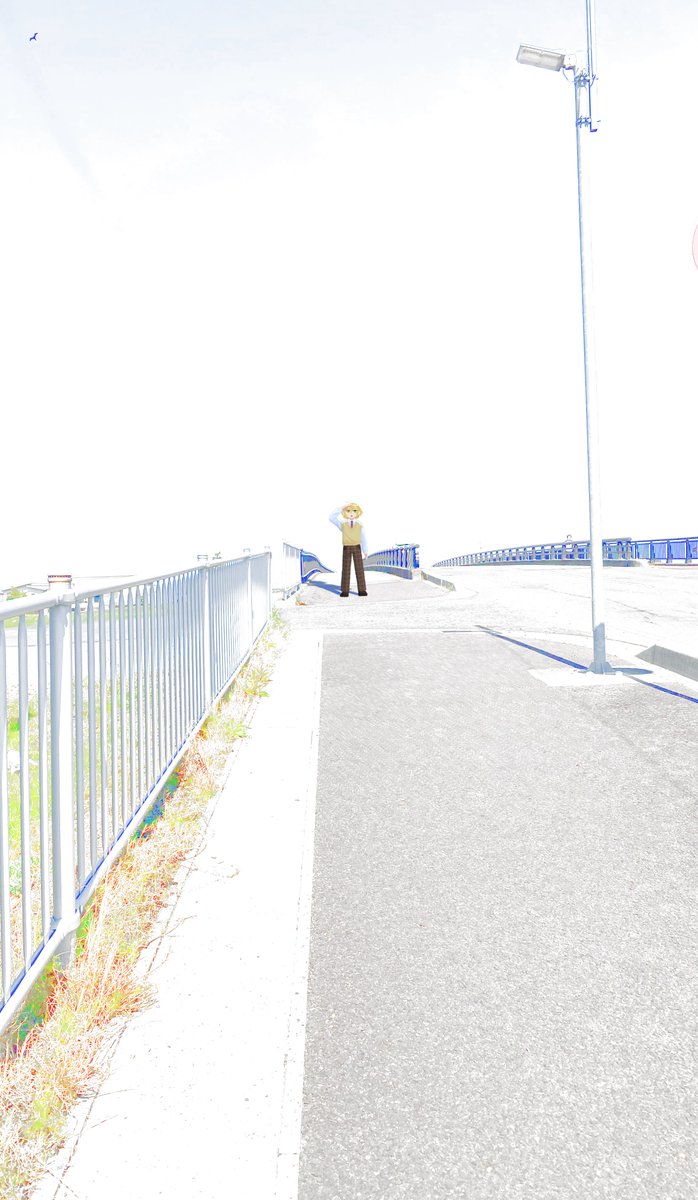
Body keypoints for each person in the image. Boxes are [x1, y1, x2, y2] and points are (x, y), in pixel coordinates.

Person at [329, 502, 368, 597]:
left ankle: (362, 590)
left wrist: (365, 550)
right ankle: (344, 590)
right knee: (346, 569)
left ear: (357, 512)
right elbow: (331, 518)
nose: (351, 513)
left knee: (359, 569)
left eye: (354, 511)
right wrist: (341, 507)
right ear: (344, 512)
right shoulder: (342, 524)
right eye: (348, 511)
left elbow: (363, 537)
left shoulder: (360, 524)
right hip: (346, 547)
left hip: (357, 547)